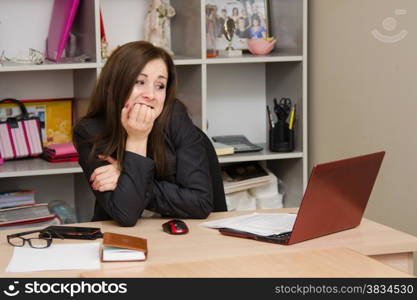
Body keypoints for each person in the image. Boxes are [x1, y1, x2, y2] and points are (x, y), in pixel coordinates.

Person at [73, 41, 220, 226]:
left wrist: (126, 176)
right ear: (115, 84)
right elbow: (125, 215)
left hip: (181, 238)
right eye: (139, 82)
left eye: (160, 85)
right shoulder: (89, 131)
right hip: (120, 239)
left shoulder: (175, 116)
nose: (150, 94)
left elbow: (200, 202)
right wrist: (137, 139)